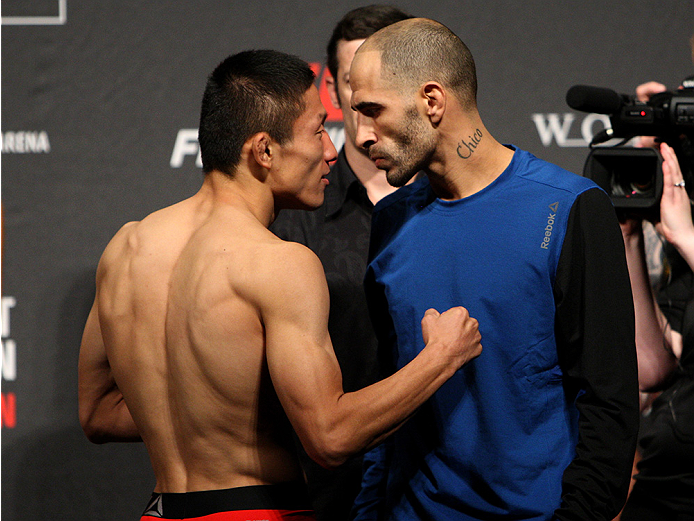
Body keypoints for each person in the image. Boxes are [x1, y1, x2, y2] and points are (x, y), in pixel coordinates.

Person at [77, 49, 483, 521]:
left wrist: (200, 414)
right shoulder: (278, 263)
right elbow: (329, 438)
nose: (332, 151)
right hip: (257, 512)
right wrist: (440, 359)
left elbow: (99, 412)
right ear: (264, 150)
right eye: (318, 132)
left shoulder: (125, 248)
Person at [347, 18, 640, 520]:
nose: (360, 135)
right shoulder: (391, 219)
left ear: (433, 101)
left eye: (373, 111)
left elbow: (609, 405)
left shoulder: (569, 209)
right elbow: (387, 394)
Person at [270, 5, 413, 519]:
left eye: (387, 79)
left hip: (442, 492)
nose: (368, 98)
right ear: (331, 90)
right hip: (320, 497)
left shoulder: (460, 207)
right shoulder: (284, 219)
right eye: (355, 80)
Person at [617, 79, 694, 521]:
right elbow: (651, 368)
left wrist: (685, 237)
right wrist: (628, 237)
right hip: (671, 473)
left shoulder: (686, 237)